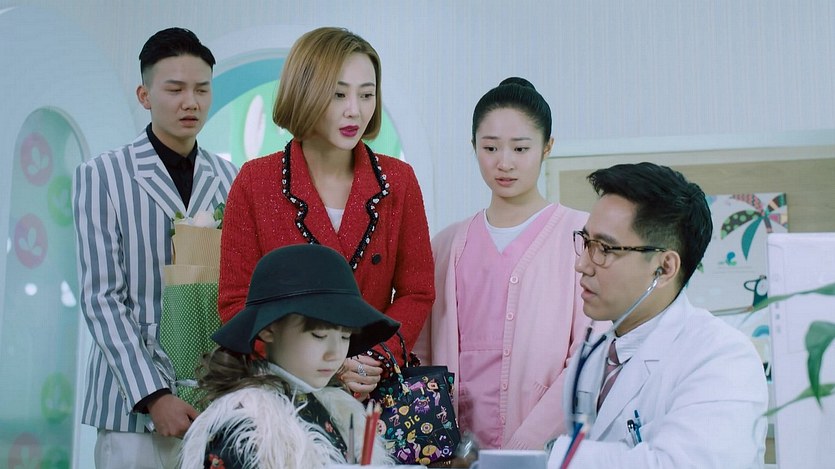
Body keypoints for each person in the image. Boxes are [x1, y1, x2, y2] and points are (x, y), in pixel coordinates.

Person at [218, 27, 434, 398]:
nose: (355, 110)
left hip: (375, 389)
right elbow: (236, 301)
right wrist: (319, 362)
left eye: (367, 94)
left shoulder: (398, 180)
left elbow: (417, 291)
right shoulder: (255, 181)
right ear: (305, 91)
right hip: (284, 392)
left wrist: (375, 357)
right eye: (338, 94)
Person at [72, 28, 238, 468]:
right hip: (131, 407)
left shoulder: (231, 177)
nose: (191, 102)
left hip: (212, 397)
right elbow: (101, 297)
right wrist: (154, 395)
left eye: (202, 89)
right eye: (175, 89)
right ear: (145, 96)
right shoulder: (102, 175)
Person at [548, 163, 768, 468]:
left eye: (605, 249)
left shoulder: (723, 357)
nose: (582, 265)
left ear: (664, 268)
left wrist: (555, 456)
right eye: (586, 242)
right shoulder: (594, 354)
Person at [416, 77, 593, 450]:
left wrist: (526, 445)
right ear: (474, 147)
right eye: (490, 147)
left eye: (521, 148)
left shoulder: (582, 236)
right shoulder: (446, 246)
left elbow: (589, 355)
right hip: (457, 453)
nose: (504, 162)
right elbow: (422, 356)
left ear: (547, 147)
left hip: (546, 449)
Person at [180, 244, 398, 468]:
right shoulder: (245, 428)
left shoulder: (334, 409)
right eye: (319, 335)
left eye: (345, 337)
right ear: (268, 329)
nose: (335, 354)